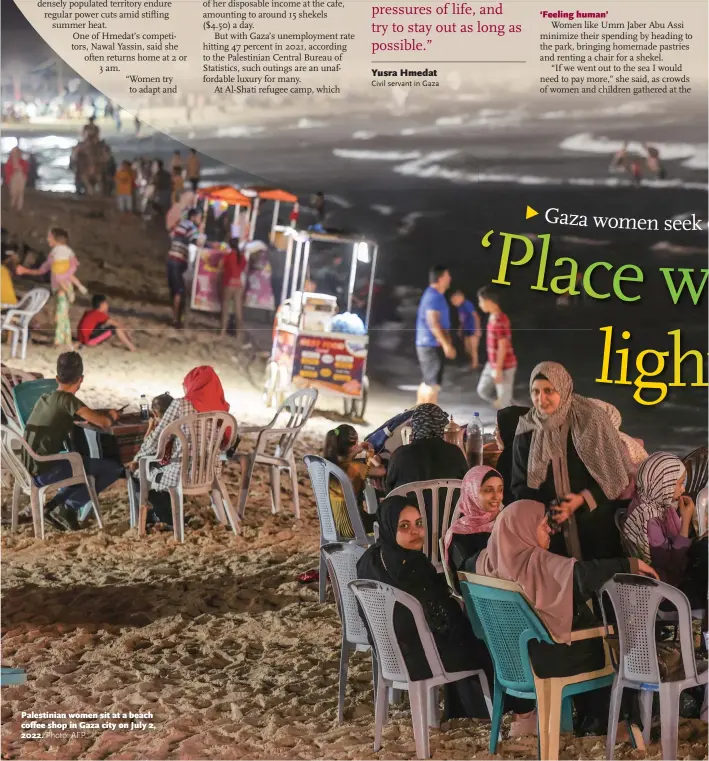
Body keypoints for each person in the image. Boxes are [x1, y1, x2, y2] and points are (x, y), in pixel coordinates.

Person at [475, 499, 656, 736]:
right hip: (545, 661)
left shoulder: (484, 562)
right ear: (523, 528)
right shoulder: (535, 562)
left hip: (510, 664)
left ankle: (586, 720)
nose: (550, 531)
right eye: (543, 526)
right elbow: (581, 575)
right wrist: (630, 563)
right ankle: (616, 724)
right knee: (612, 643)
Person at [357, 496, 493, 719]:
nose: (416, 532)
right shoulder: (413, 566)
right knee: (484, 642)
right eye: (405, 526)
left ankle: (462, 709)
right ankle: (505, 710)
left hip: (389, 655)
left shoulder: (369, 559)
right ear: (390, 526)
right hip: (421, 660)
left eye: (419, 523)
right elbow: (441, 619)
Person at [512, 362, 633, 561]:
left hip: (594, 525)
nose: (541, 399)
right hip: (551, 531)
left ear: (563, 388)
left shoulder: (591, 420)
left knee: (594, 581)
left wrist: (581, 500)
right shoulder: (527, 428)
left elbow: (615, 477)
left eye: (549, 391)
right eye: (535, 392)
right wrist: (546, 512)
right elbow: (519, 484)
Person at [23, 352, 123, 532]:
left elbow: (71, 415)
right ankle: (68, 507)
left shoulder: (45, 398)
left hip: (28, 466)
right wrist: (113, 415)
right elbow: (103, 422)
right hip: (46, 471)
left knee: (82, 466)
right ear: (81, 379)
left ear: (56, 378)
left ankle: (56, 506)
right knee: (112, 468)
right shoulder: (68, 400)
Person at [127, 366, 231, 526]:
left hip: (180, 475)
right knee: (158, 468)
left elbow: (158, 438)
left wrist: (137, 457)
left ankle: (160, 520)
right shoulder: (222, 410)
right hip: (211, 473)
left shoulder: (180, 404)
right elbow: (225, 444)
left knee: (138, 474)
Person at [622, 452, 708, 608]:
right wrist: (686, 521)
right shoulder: (649, 518)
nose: (683, 490)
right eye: (680, 483)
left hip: (669, 579)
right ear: (663, 483)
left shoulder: (651, 503)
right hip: (664, 590)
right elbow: (671, 565)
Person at [385, 404, 468, 536]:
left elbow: (389, 491)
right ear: (442, 425)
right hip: (449, 531)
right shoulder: (455, 453)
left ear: (415, 426)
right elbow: (467, 488)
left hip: (410, 532)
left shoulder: (400, 455)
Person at [16, 227, 88, 348]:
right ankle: (67, 342)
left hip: (62, 287)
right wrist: (25, 271)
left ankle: (59, 341)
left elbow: (54, 270)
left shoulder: (59, 252)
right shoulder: (59, 253)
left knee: (59, 315)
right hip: (62, 286)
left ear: (56, 238)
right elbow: (44, 270)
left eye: (49, 237)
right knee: (62, 314)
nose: (48, 239)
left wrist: (64, 286)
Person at [324, 424, 385, 537]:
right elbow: (381, 471)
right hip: (353, 527)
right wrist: (373, 456)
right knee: (389, 519)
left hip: (334, 525)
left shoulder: (327, 465)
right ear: (352, 447)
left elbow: (350, 461)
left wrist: (357, 450)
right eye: (356, 443)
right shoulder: (354, 468)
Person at [444, 465, 504, 575]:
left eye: (500, 490)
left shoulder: (505, 521)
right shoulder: (460, 533)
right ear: (472, 492)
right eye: (488, 490)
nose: (497, 496)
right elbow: (465, 577)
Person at [415, 266, 455, 406]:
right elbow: (433, 322)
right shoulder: (434, 297)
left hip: (427, 344)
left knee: (427, 382)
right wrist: (446, 345)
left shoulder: (434, 295)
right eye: (447, 276)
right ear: (441, 278)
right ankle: (428, 419)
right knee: (432, 386)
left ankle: (417, 416)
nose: (450, 279)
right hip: (431, 345)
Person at [476, 285, 517, 409]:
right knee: (482, 390)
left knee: (505, 404)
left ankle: (512, 414)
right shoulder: (492, 316)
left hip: (504, 366)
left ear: (489, 301)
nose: (480, 304)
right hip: (492, 364)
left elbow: (503, 345)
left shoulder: (499, 319)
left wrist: (498, 369)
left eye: (481, 301)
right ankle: (508, 404)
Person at [167, 207, 203, 328]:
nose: (200, 220)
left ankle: (174, 316)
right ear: (193, 217)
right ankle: (176, 320)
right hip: (179, 260)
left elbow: (171, 235)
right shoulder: (191, 227)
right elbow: (198, 242)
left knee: (174, 291)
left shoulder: (179, 224)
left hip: (170, 259)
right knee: (179, 291)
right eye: (199, 217)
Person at [493, 405, 530, 506]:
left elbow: (503, 500)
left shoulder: (508, 458)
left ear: (508, 430)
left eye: (498, 428)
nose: (494, 434)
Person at [219, 239, 247, 342]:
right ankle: (239, 335)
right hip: (238, 284)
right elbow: (244, 268)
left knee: (226, 309)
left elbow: (220, 266)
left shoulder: (228, 255)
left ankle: (222, 332)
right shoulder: (241, 256)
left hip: (229, 284)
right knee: (238, 311)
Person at [450, 290, 481, 369]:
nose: (453, 303)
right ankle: (471, 363)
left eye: (454, 300)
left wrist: (478, 329)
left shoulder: (467, 304)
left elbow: (476, 316)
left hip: (473, 329)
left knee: (473, 348)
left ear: (460, 297)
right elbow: (462, 320)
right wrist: (460, 329)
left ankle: (475, 365)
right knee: (467, 348)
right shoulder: (460, 308)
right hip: (466, 329)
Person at [4, 146, 29, 212]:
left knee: (20, 193)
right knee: (13, 193)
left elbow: (25, 170)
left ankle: (19, 208)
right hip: (13, 177)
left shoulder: (23, 162)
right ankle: (12, 205)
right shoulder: (10, 162)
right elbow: (7, 171)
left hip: (20, 177)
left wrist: (21, 170)